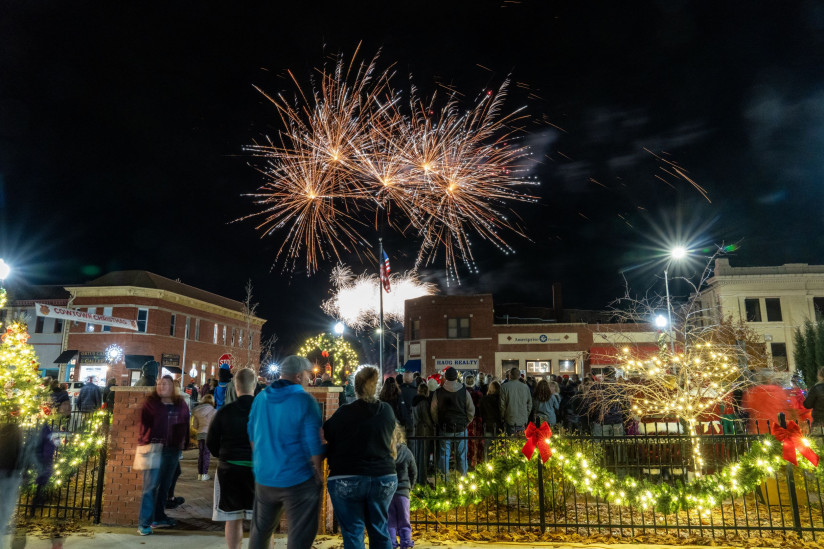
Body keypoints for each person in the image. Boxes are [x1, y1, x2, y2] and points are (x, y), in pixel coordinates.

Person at [247, 355, 324, 549]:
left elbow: (252, 436)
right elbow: (314, 442)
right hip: (297, 478)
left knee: (261, 532)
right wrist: (318, 471)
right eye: (308, 374)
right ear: (298, 376)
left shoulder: (261, 398)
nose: (309, 379)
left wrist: (262, 462)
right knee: (300, 535)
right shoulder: (305, 400)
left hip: (265, 478)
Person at [324, 366, 398, 549]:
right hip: (383, 476)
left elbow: (326, 433)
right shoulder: (386, 411)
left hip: (347, 476)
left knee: (353, 532)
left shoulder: (344, 413)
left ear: (355, 387)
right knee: (380, 531)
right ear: (377, 386)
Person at [208, 368, 257, 549]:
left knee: (233, 518)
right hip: (258, 471)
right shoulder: (263, 410)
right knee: (261, 521)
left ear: (235, 386)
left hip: (229, 469)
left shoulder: (224, 412)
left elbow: (211, 441)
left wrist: (222, 455)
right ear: (255, 384)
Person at [137, 375, 190, 535]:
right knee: (150, 486)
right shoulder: (151, 403)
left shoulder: (179, 403)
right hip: (153, 448)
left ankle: (158, 517)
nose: (161, 386)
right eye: (159, 384)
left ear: (172, 387)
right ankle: (144, 523)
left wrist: (184, 443)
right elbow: (143, 425)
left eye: (165, 383)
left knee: (165, 486)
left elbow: (186, 423)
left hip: (172, 449)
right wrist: (144, 443)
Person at [430, 367, 474, 476]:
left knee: (444, 455)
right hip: (461, 426)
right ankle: (462, 478)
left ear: (446, 377)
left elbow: (433, 411)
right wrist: (466, 422)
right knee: (462, 455)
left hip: (445, 427)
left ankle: (445, 480)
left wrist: (438, 422)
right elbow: (471, 410)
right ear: (456, 377)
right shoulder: (464, 391)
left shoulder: (438, 392)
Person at [388, 424, 417, 549]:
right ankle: (406, 542)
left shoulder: (386, 453)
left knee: (390, 522)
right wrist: (410, 486)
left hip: (389, 492)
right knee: (404, 521)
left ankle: (392, 543)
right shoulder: (406, 452)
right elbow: (414, 472)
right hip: (403, 492)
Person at [411, 383, 434, 485]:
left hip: (416, 430)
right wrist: (432, 426)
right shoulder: (424, 402)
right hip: (424, 430)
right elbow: (426, 417)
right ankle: (422, 480)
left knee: (417, 455)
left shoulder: (414, 401)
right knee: (424, 456)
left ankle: (416, 479)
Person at [499, 367, 532, 434]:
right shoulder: (525, 387)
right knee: (522, 441)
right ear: (519, 376)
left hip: (510, 418)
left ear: (510, 375)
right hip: (522, 419)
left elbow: (502, 405)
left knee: (511, 441)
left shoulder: (504, 387)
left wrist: (503, 416)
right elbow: (529, 403)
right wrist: (526, 414)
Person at [192, 394, 217, 480]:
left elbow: (195, 425)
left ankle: (199, 474)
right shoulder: (214, 411)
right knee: (206, 454)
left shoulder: (197, 411)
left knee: (201, 454)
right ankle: (204, 474)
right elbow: (215, 425)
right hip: (209, 435)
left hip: (200, 434)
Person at [479, 381, 503, 458]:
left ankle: (487, 465)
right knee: (498, 448)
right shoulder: (500, 399)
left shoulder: (484, 399)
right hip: (499, 426)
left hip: (488, 425)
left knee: (487, 448)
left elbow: (481, 412)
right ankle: (497, 464)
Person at [804, 367, 824, 432]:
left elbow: (807, 405)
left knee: (819, 440)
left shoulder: (816, 388)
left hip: (819, 421)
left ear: (820, 376)